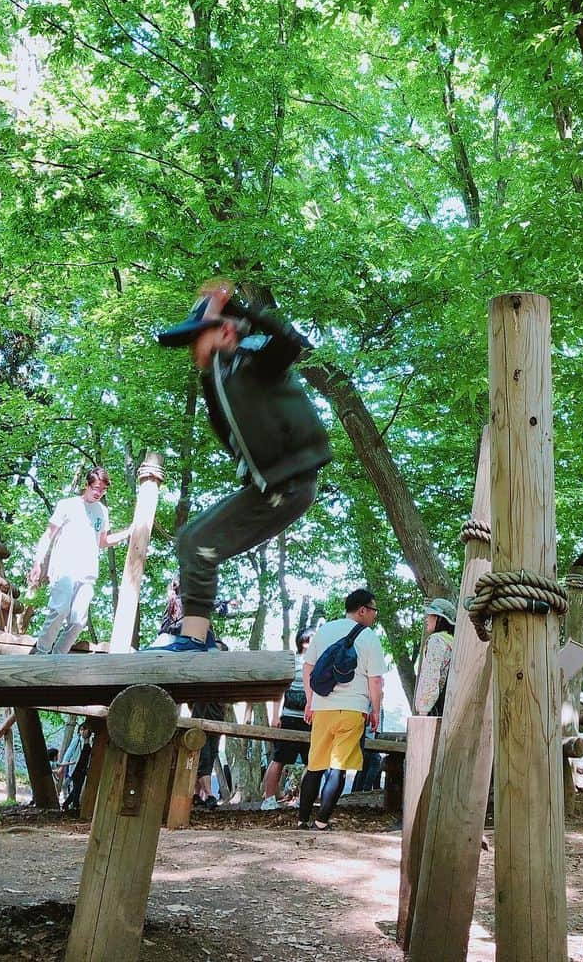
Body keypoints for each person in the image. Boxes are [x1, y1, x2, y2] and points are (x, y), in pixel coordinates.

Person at [153, 281, 332, 652]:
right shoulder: (222, 379)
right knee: (193, 540)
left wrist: (238, 309)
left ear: (225, 331)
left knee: (196, 540)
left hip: (290, 484)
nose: (192, 351)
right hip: (272, 487)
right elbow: (224, 420)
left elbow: (291, 343)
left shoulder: (258, 362)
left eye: (195, 341)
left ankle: (195, 640)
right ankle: (197, 639)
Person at [299, 588, 386, 830]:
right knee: (338, 767)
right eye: (373, 610)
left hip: (323, 708)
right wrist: (375, 710)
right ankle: (321, 822)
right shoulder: (369, 637)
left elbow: (308, 668)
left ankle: (302, 820)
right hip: (352, 710)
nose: (374, 616)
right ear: (362, 610)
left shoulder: (325, 630)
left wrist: (310, 701)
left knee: (315, 765)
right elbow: (375, 680)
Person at [27, 467, 130, 654]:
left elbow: (103, 541)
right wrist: (37, 562)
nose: (98, 493)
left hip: (88, 572)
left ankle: (58, 659)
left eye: (103, 490)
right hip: (64, 568)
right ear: (87, 485)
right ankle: (40, 654)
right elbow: (48, 535)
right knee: (60, 610)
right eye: (96, 488)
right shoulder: (68, 505)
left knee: (78, 620)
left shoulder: (102, 512)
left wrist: (128, 533)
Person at [261, 626, 314, 810]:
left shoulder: (320, 663)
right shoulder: (292, 662)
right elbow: (280, 689)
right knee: (279, 758)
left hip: (310, 720)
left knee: (312, 761)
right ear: (304, 641)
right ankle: (268, 799)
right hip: (290, 717)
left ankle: (303, 799)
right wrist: (275, 716)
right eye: (312, 638)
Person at [413, 598, 456, 716]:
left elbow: (431, 676)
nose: (426, 619)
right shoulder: (453, 642)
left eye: (430, 615)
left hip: (433, 709)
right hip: (449, 706)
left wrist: (423, 709)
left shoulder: (436, 640)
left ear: (439, 618)